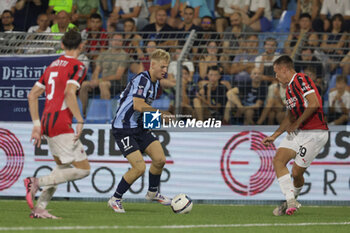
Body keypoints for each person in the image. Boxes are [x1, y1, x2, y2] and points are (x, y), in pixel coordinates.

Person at [24, 30, 91, 219]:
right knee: (83, 170)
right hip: (61, 121)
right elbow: (70, 93)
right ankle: (36, 182)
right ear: (81, 46)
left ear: (62, 45)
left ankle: (39, 208)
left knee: (61, 168)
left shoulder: (52, 66)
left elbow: (32, 95)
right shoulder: (78, 66)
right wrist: (80, 119)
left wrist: (37, 125)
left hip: (47, 121)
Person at [262, 55, 328, 216]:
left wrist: (297, 123)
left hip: (315, 132)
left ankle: (292, 198)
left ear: (284, 70)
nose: (276, 76)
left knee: (297, 173)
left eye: (277, 72)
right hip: (299, 131)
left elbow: (314, 103)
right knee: (278, 160)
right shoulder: (289, 89)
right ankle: (290, 200)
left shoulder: (301, 79)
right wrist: (275, 135)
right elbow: (290, 117)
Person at [108, 49, 172, 213]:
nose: (165, 70)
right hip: (123, 128)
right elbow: (137, 105)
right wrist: (160, 114)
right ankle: (115, 198)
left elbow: (142, 110)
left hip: (139, 127)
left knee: (160, 159)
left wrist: (155, 121)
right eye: (163, 67)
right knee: (139, 168)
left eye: (167, 67)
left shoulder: (155, 82)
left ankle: (153, 192)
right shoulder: (142, 80)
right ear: (153, 65)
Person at [79, 33, 130, 116]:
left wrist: (99, 80)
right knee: (84, 84)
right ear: (111, 41)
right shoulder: (104, 54)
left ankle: (106, 114)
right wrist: (94, 80)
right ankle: (83, 113)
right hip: (102, 81)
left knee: (103, 84)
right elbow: (96, 70)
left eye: (119, 41)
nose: (117, 42)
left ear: (122, 43)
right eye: (115, 40)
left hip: (118, 84)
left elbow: (118, 76)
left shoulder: (124, 55)